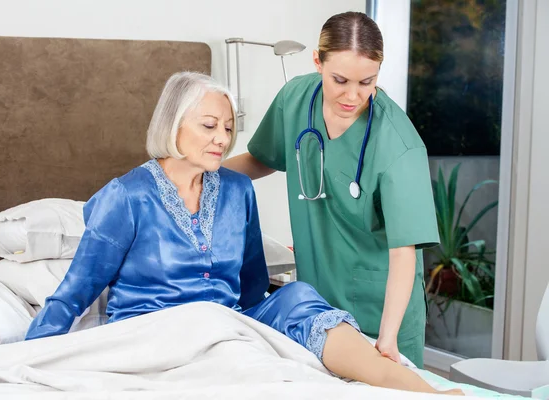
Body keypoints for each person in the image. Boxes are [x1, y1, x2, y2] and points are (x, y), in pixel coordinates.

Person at [25, 72, 461, 395]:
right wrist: (29, 354)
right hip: (154, 335)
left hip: (227, 323)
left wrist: (269, 324)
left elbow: (251, 286)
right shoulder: (126, 196)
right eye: (209, 126)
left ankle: (414, 387)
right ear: (173, 124)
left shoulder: (236, 190)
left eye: (229, 128)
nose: (222, 139)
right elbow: (76, 292)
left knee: (295, 296)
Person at [223, 11, 439, 368]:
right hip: (316, 305)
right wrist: (199, 172)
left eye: (366, 82)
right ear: (317, 62)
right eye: (340, 80)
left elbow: (405, 253)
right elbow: (262, 159)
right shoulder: (295, 98)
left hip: (380, 313)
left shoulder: (399, 145)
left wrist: (387, 339)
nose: (353, 96)